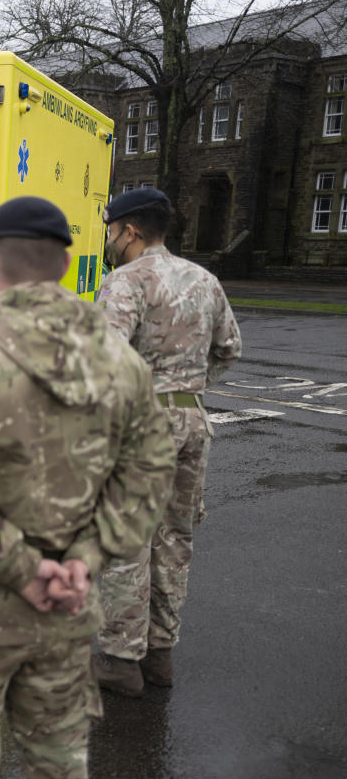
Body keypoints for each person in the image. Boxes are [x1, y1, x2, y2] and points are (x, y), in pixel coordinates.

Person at [0, 196, 176, 779]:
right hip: (68, 608)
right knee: (60, 774)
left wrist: (24, 571)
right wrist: (84, 558)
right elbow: (149, 471)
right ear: (64, 267)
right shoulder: (121, 365)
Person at [93, 188, 243, 696]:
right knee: (175, 540)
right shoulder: (204, 280)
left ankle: (121, 660)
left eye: (111, 230)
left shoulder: (124, 282)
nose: (110, 240)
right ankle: (160, 657)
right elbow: (229, 348)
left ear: (129, 231)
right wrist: (185, 389)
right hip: (192, 423)